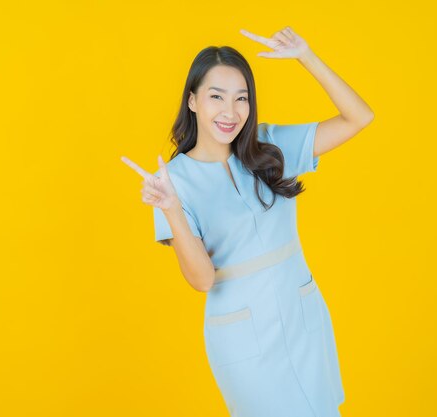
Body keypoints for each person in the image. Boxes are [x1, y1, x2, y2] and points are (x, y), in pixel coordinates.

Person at [121, 25, 373, 417]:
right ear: (192, 101)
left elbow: (359, 117)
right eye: (216, 97)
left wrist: (306, 56)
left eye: (242, 99)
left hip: (302, 317)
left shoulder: (269, 147)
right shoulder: (173, 183)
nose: (230, 111)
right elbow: (202, 280)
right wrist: (171, 208)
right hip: (241, 338)